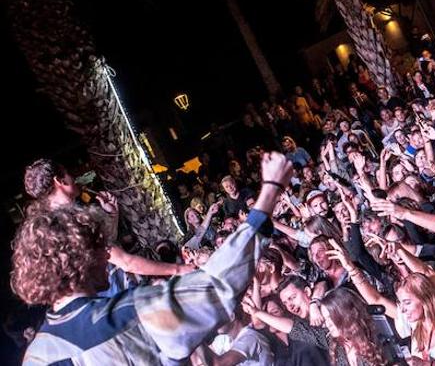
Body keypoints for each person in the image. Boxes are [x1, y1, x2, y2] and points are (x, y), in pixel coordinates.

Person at [11, 152, 293, 364]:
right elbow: (216, 287)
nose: (106, 256)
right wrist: (269, 191)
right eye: (99, 246)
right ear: (82, 257)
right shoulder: (129, 314)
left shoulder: (36, 355)